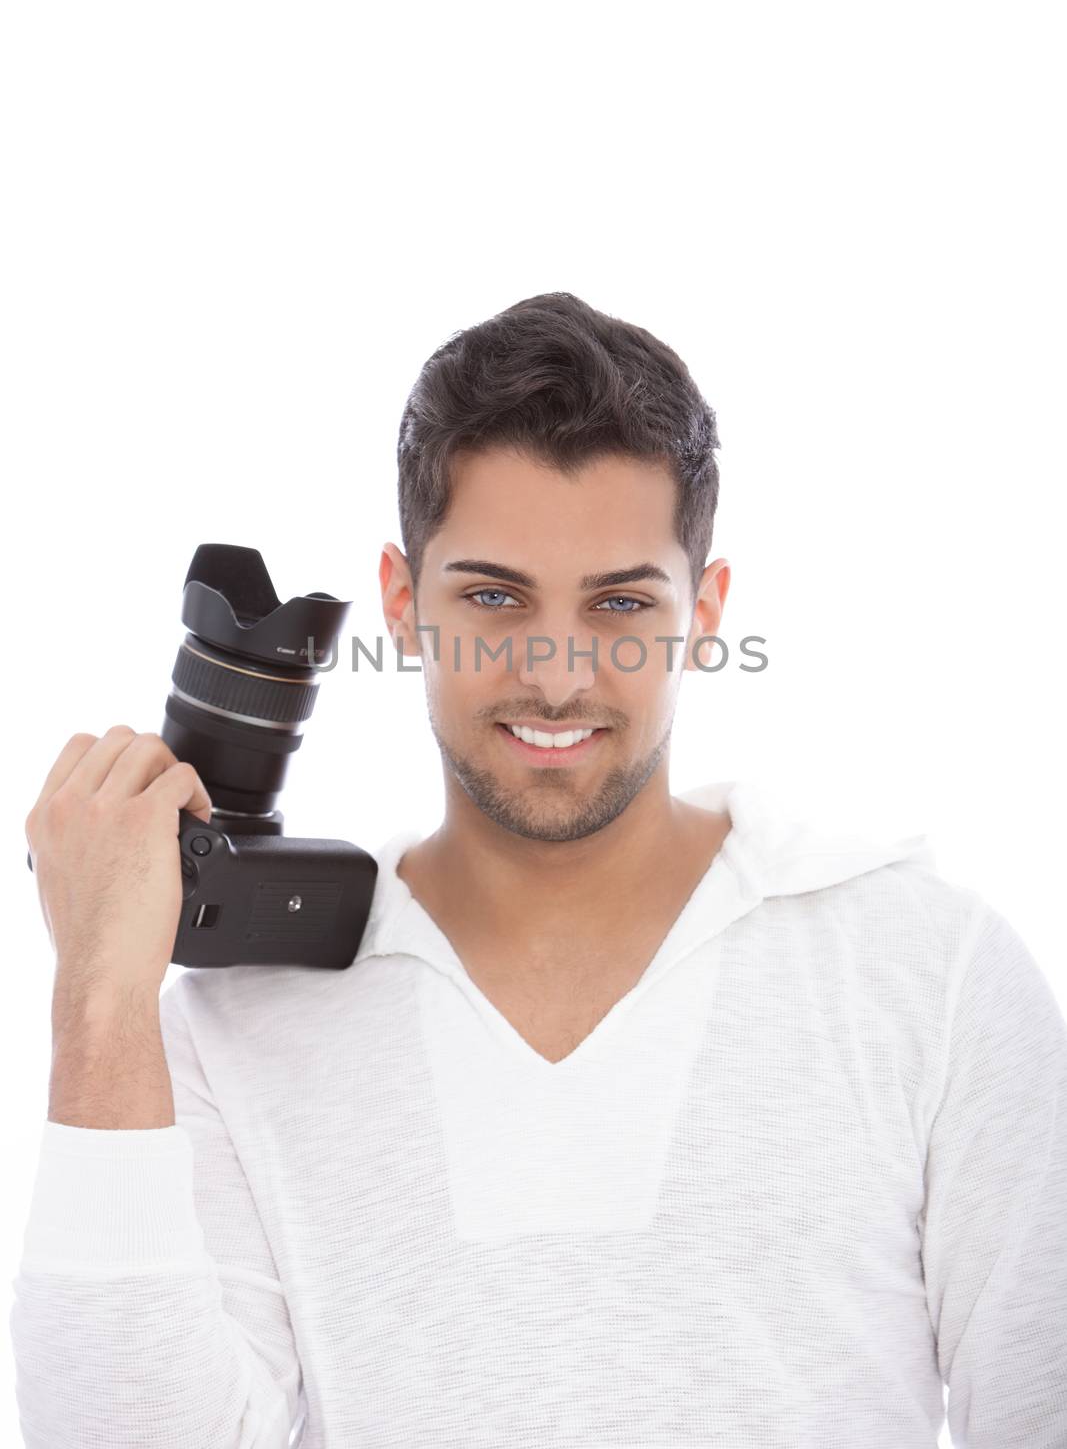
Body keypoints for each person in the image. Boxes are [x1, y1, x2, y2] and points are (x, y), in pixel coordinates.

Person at [11, 292, 1066, 1448]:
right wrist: (99, 1005)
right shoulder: (231, 1031)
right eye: (494, 598)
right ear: (402, 603)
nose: (556, 675)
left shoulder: (929, 976)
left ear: (702, 613)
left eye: (619, 603)